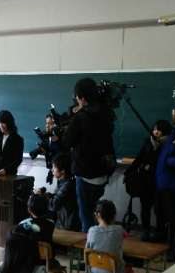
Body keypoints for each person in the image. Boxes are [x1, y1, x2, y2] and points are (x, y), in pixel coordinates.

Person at [63, 78, 115, 232]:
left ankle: (90, 244)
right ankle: (99, 241)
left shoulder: (81, 117)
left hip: (86, 174)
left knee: (85, 216)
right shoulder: (106, 113)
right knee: (95, 213)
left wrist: (75, 115)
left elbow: (67, 141)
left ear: (83, 99)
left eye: (77, 97)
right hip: (103, 172)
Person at [123, 119, 172, 241]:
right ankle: (145, 230)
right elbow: (139, 159)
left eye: (159, 130)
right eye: (154, 129)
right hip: (145, 181)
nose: (156, 132)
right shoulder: (148, 142)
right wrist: (128, 172)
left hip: (159, 182)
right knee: (145, 208)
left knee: (159, 209)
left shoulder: (167, 145)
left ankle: (160, 233)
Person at [155, 102, 175, 262]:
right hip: (164, 183)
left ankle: (174, 252)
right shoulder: (174, 133)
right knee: (166, 218)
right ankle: (168, 249)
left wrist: (168, 161)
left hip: (173, 185)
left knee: (174, 221)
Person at [86, 199, 136, 273]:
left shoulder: (91, 231)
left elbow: (87, 250)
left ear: (97, 215)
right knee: (129, 269)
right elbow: (127, 237)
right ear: (114, 215)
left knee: (104, 265)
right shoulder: (119, 229)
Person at [47, 153, 80, 231]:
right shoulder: (64, 182)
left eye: (54, 167)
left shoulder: (67, 185)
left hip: (66, 226)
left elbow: (54, 205)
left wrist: (44, 197)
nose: (52, 170)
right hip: (63, 221)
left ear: (62, 171)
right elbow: (57, 197)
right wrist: (47, 195)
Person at [29, 113, 62, 184]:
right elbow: (46, 148)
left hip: (62, 171)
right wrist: (37, 151)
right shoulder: (47, 137)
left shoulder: (60, 137)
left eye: (50, 124)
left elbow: (57, 152)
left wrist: (51, 171)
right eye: (47, 123)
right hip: (54, 168)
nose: (47, 126)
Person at [0, 110, 24, 176]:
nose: (0, 125)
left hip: (9, 174)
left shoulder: (18, 139)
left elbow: (18, 159)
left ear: (9, 123)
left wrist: (6, 170)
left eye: (3, 123)